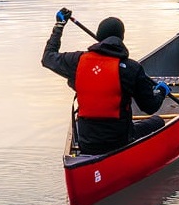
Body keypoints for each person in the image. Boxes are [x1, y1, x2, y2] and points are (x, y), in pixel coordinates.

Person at [41, 8, 171, 155]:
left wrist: (59, 26)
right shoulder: (132, 68)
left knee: (81, 125)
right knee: (158, 121)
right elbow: (150, 107)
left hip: (86, 143)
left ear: (98, 37)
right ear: (121, 38)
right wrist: (161, 92)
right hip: (120, 141)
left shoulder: (77, 61)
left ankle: (85, 166)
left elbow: (47, 58)